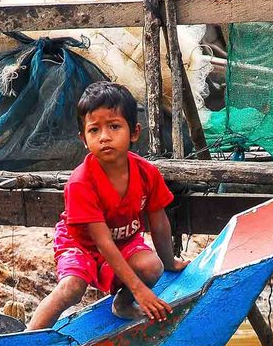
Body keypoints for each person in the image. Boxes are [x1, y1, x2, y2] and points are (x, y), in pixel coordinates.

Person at [26, 81, 188, 330]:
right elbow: (102, 242)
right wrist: (140, 290)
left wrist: (170, 263)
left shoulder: (147, 173)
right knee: (71, 289)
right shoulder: (81, 182)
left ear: (134, 132)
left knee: (152, 267)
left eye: (114, 127)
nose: (104, 137)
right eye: (94, 130)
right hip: (81, 244)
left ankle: (122, 304)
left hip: (123, 241)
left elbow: (159, 222)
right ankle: (27, 342)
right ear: (83, 139)